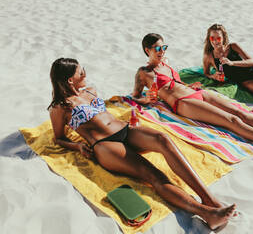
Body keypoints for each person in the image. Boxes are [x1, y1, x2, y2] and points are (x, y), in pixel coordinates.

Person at [48, 58, 236, 230]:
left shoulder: (90, 90)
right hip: (105, 145)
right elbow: (58, 138)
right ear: (70, 80)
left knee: (163, 140)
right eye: (81, 73)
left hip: (125, 130)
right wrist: (78, 146)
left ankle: (209, 199)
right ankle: (206, 213)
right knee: (153, 174)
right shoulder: (60, 107)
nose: (85, 74)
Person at [132, 33, 253, 155]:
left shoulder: (167, 64)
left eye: (164, 47)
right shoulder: (144, 72)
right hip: (183, 102)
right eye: (157, 49)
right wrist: (146, 99)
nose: (162, 52)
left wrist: (192, 85)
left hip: (195, 92)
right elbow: (136, 96)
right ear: (147, 50)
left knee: (242, 113)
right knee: (232, 121)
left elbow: (176, 83)